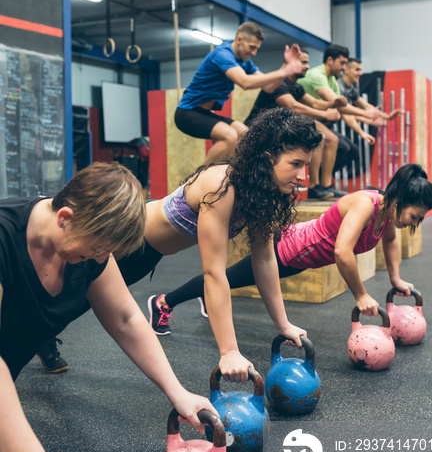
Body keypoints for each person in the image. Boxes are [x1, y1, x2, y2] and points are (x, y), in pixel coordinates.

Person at [0, 162, 216, 452]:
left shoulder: (89, 250)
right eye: (94, 250)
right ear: (64, 217)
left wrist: (177, 392)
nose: (98, 262)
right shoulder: (4, 239)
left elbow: (126, 318)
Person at [116, 108, 323, 381]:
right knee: (77, 302)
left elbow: (264, 259)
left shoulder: (261, 191)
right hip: (124, 240)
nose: (303, 176)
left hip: (149, 254)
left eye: (305, 166)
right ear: (268, 158)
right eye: (295, 164)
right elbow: (213, 272)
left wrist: (282, 324)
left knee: (80, 302)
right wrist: (229, 352)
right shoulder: (223, 185)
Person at [155, 164, 432, 318]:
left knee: (228, 280)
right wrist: (361, 295)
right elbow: (342, 252)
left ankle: (203, 296)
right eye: (415, 216)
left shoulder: (388, 214)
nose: (414, 223)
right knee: (224, 278)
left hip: (300, 253)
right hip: (287, 250)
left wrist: (396, 280)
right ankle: (163, 302)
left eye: (419, 219)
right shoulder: (366, 205)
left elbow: (390, 243)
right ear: (399, 201)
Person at [174, 21, 304, 164]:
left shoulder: (244, 61)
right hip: (187, 113)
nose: (254, 53)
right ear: (240, 39)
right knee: (229, 136)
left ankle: (232, 176)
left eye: (257, 49)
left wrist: (285, 67)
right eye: (252, 47)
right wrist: (283, 72)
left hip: (204, 113)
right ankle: (198, 182)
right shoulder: (223, 54)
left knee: (246, 134)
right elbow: (245, 82)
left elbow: (269, 87)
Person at [245, 48, 348, 200]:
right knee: (321, 137)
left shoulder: (297, 86)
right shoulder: (280, 83)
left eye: (308, 62)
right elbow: (292, 106)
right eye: (303, 62)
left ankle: (318, 186)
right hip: (258, 131)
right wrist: (325, 114)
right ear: (290, 63)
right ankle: (313, 186)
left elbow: (314, 103)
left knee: (322, 137)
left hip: (278, 132)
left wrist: (334, 102)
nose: (307, 66)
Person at [299, 44, 381, 174]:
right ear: (330, 60)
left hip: (315, 120)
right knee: (326, 138)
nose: (344, 68)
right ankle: (317, 186)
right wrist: (366, 114)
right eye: (342, 63)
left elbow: (342, 109)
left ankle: (324, 183)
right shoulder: (317, 75)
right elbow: (339, 106)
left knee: (350, 150)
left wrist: (362, 132)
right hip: (303, 119)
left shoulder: (332, 80)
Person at [338, 57, 404, 127]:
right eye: (357, 70)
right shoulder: (338, 87)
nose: (360, 73)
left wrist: (387, 116)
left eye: (360, 70)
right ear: (346, 70)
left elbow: (366, 105)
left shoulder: (351, 89)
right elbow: (343, 111)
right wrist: (365, 117)